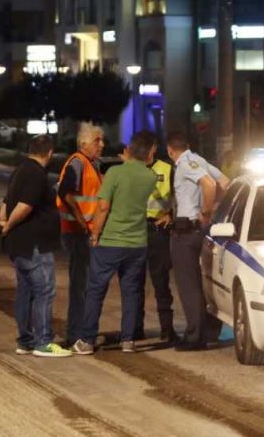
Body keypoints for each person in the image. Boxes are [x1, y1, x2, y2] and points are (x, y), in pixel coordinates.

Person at [74, 131, 158, 355]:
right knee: (131, 291)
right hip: (137, 243)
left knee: (96, 289)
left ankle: (87, 340)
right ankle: (128, 340)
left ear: (128, 150)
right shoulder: (150, 177)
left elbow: (103, 207)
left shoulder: (114, 173)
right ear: (149, 153)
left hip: (110, 241)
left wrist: (95, 234)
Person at [0, 135, 72, 358]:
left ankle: (25, 341)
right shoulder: (37, 174)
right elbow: (25, 206)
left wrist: (3, 222)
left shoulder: (20, 170)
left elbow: (6, 203)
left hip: (19, 245)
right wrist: (8, 225)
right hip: (34, 245)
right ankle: (43, 342)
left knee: (26, 291)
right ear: (49, 153)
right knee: (44, 291)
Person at [166, 132, 229, 351]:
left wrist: (206, 212)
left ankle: (195, 336)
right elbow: (225, 182)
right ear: (188, 145)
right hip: (201, 230)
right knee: (205, 281)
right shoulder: (199, 160)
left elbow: (210, 185)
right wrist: (211, 210)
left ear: (170, 150)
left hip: (187, 230)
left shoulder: (184, 164)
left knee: (189, 284)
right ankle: (210, 331)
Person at [56, 122, 105, 346]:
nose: (102, 144)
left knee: (84, 284)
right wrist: (80, 220)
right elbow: (65, 192)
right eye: (97, 140)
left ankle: (80, 331)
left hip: (82, 231)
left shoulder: (90, 164)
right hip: (77, 233)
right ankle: (75, 333)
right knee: (80, 285)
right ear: (84, 143)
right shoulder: (78, 163)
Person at [136, 150, 177, 343]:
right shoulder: (131, 168)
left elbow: (179, 195)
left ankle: (167, 330)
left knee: (161, 282)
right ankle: (135, 329)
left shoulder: (168, 169)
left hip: (158, 230)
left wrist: (172, 215)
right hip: (135, 230)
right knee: (134, 282)